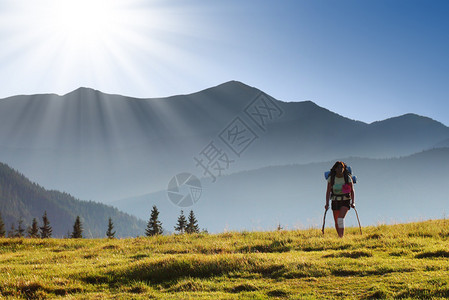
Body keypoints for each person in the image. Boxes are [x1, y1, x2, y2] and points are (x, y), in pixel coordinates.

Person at [325, 161, 355, 237]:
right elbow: (328, 191)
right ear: (335, 169)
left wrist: (353, 202)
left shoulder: (347, 178)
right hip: (335, 201)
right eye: (338, 168)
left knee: (340, 219)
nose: (340, 169)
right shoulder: (331, 179)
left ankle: (341, 237)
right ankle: (339, 236)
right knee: (336, 221)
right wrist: (327, 203)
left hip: (345, 201)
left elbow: (352, 190)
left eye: (342, 168)